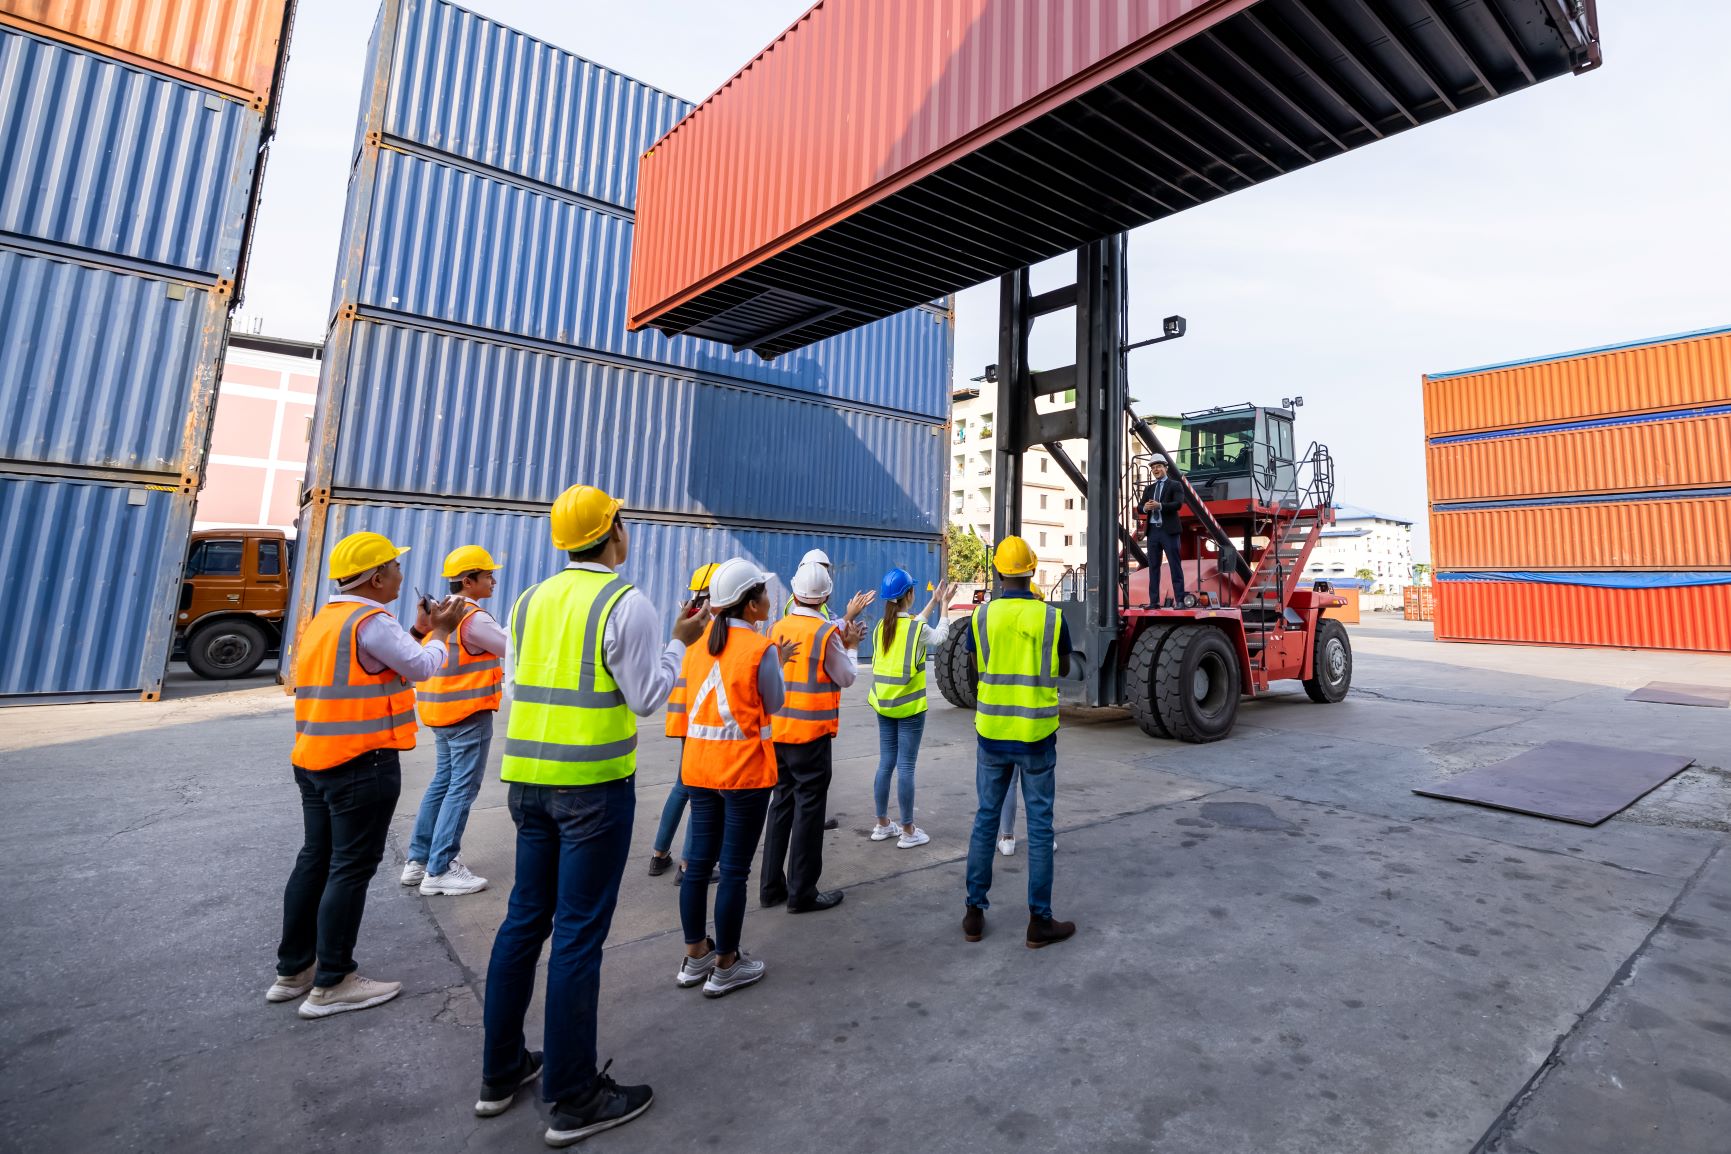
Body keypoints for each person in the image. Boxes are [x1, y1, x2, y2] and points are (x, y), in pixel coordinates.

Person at [477, 484, 706, 1147]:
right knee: (577, 934)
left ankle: (500, 1073)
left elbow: (522, 684)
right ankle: (574, 1095)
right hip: (592, 792)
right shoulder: (624, 601)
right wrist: (679, 643)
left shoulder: (527, 599)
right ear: (614, 533)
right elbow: (646, 698)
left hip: (526, 783)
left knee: (524, 922)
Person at [269, 531, 467, 1019]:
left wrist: (418, 631)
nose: (402, 576)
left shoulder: (327, 619)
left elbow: (382, 664)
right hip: (361, 762)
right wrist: (440, 632)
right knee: (350, 867)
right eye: (395, 568)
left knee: (316, 858)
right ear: (378, 577)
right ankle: (333, 980)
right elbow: (421, 668)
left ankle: (294, 970)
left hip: (314, 758)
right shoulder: (372, 620)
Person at [674, 560, 794, 996]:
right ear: (750, 603)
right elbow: (775, 703)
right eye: (763, 592)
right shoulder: (759, 649)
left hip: (700, 770)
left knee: (698, 866)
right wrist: (776, 664)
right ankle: (726, 964)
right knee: (734, 872)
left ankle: (695, 956)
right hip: (744, 774)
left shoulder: (696, 642)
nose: (767, 599)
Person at [961, 537, 1076, 949]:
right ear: (1032, 570)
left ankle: (974, 914)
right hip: (1036, 736)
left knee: (986, 819)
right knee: (1040, 827)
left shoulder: (981, 616)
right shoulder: (1050, 617)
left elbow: (977, 668)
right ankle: (1038, 922)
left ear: (998, 572)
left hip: (991, 733)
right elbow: (1063, 666)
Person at [759, 560, 868, 912]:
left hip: (778, 733)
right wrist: (850, 645)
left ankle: (771, 886)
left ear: (794, 592)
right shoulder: (825, 634)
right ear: (826, 597)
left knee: (781, 804)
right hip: (811, 736)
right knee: (809, 811)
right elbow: (847, 677)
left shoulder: (776, 628)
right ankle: (802, 892)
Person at [401, 545, 506, 897]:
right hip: (467, 713)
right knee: (462, 787)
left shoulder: (439, 611)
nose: (493, 580)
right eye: (488, 574)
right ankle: (442, 867)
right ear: (468, 580)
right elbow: (511, 646)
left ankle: (419, 860)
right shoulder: (473, 617)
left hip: (440, 711)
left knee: (443, 783)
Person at [866, 570, 955, 848]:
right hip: (910, 709)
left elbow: (913, 626)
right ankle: (907, 830)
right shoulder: (917, 630)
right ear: (909, 595)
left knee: (886, 763)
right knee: (906, 767)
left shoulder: (882, 627)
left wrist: (933, 600)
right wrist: (943, 605)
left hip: (883, 705)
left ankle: (882, 824)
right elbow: (939, 635)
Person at [650, 562, 718, 882]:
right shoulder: (710, 629)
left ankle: (659, 854)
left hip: (681, 715)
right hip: (699, 720)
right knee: (701, 791)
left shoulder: (686, 622)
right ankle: (689, 866)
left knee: (683, 787)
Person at [1140, 458, 1186, 607]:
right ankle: (1154, 602)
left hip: (1169, 531)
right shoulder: (1149, 489)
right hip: (1153, 532)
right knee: (1153, 567)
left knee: (1175, 565)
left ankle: (1180, 601)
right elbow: (1139, 508)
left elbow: (1178, 504)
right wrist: (1145, 508)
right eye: (1153, 468)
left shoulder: (1175, 485)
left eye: (1158, 466)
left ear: (1165, 468)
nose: (1156, 470)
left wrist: (1160, 506)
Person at [782, 547, 833, 618]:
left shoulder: (819, 598)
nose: (818, 575)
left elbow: (831, 620)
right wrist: (849, 615)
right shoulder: (795, 604)